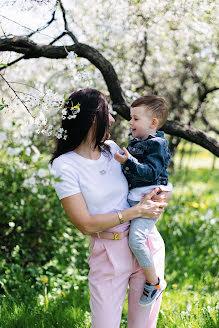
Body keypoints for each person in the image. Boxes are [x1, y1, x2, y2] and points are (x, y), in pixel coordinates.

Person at [50, 88, 171, 328]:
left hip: (145, 244)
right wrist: (135, 212)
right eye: (108, 113)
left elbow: (150, 178)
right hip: (108, 252)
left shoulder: (114, 149)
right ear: (94, 118)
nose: (115, 120)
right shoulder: (64, 165)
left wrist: (158, 198)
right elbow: (84, 224)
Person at [114, 95, 172, 308]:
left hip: (146, 199)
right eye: (131, 118)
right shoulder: (137, 142)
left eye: (136, 119)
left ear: (153, 123)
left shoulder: (156, 145)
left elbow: (150, 173)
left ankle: (154, 282)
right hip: (136, 199)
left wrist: (128, 161)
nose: (130, 123)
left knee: (136, 240)